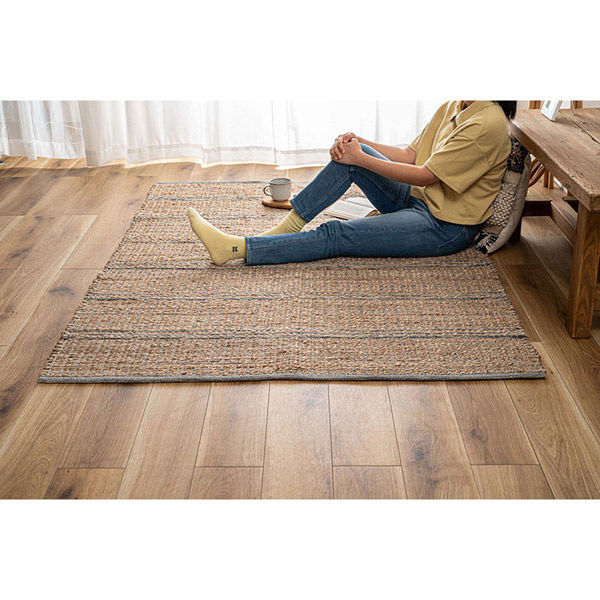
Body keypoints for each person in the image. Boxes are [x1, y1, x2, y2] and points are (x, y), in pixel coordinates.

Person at [187, 100, 515, 266]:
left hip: (444, 225)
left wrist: (361, 158)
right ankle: (287, 227)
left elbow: (426, 174)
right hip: (418, 199)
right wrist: (358, 144)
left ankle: (237, 248)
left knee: (337, 234)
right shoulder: (456, 104)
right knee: (349, 157)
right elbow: (411, 155)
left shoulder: (486, 123)